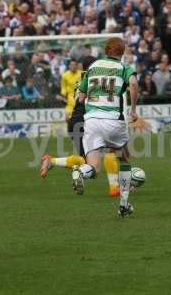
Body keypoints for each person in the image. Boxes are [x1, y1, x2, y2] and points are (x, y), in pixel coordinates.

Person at [40, 57, 128, 198]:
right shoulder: (95, 79)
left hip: (80, 121)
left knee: (97, 159)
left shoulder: (83, 79)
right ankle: (116, 187)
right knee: (96, 162)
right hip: (86, 122)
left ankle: (115, 188)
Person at [72, 37, 139, 217]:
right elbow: (133, 84)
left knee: (93, 165)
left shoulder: (92, 67)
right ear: (122, 51)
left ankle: (81, 172)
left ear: (106, 50)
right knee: (124, 159)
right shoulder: (123, 68)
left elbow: (81, 96)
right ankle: (124, 203)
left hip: (92, 120)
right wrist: (133, 110)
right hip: (113, 120)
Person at [61, 59, 82, 123]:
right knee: (67, 119)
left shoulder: (81, 74)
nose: (73, 66)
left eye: (74, 65)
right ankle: (71, 131)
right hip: (70, 101)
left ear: (77, 66)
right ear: (69, 66)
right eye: (71, 65)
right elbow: (63, 88)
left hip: (80, 101)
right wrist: (63, 96)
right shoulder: (65, 75)